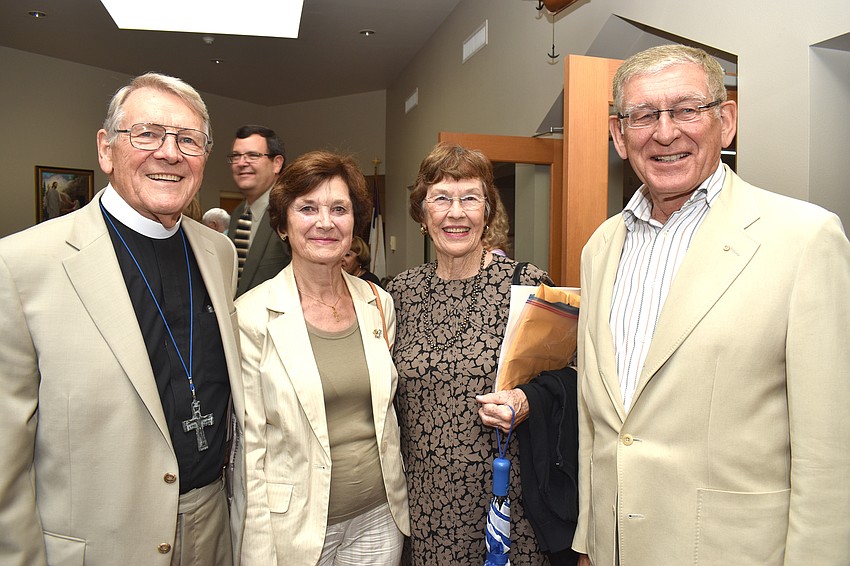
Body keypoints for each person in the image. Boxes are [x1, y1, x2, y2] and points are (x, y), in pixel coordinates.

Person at [572, 44, 850, 566]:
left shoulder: (805, 239)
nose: (665, 131)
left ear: (725, 121)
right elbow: (599, 425)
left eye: (686, 109)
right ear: (618, 134)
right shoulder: (600, 248)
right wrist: (590, 542)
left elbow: (829, 456)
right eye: (643, 115)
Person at [0, 72, 246, 565]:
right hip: (102, 544)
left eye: (188, 140)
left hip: (213, 526)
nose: (169, 153)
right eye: (147, 134)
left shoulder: (218, 252)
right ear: (106, 149)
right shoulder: (24, 263)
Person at [386, 142, 556, 564]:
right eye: (441, 198)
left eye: (470, 199)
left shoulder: (527, 284)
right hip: (425, 505)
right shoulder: (398, 293)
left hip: (507, 504)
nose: (456, 212)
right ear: (423, 216)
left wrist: (526, 400)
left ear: (488, 212)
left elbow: (568, 378)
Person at [238, 150, 410, 565]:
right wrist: (258, 551)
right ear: (282, 224)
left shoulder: (378, 302)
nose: (325, 222)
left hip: (379, 519)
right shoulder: (251, 315)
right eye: (308, 208)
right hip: (295, 527)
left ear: (354, 222)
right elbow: (250, 449)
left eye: (339, 209)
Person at [227, 125, 291, 297]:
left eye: (252, 155)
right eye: (236, 156)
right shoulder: (238, 214)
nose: (241, 163)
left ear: (277, 163)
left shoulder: (290, 213)